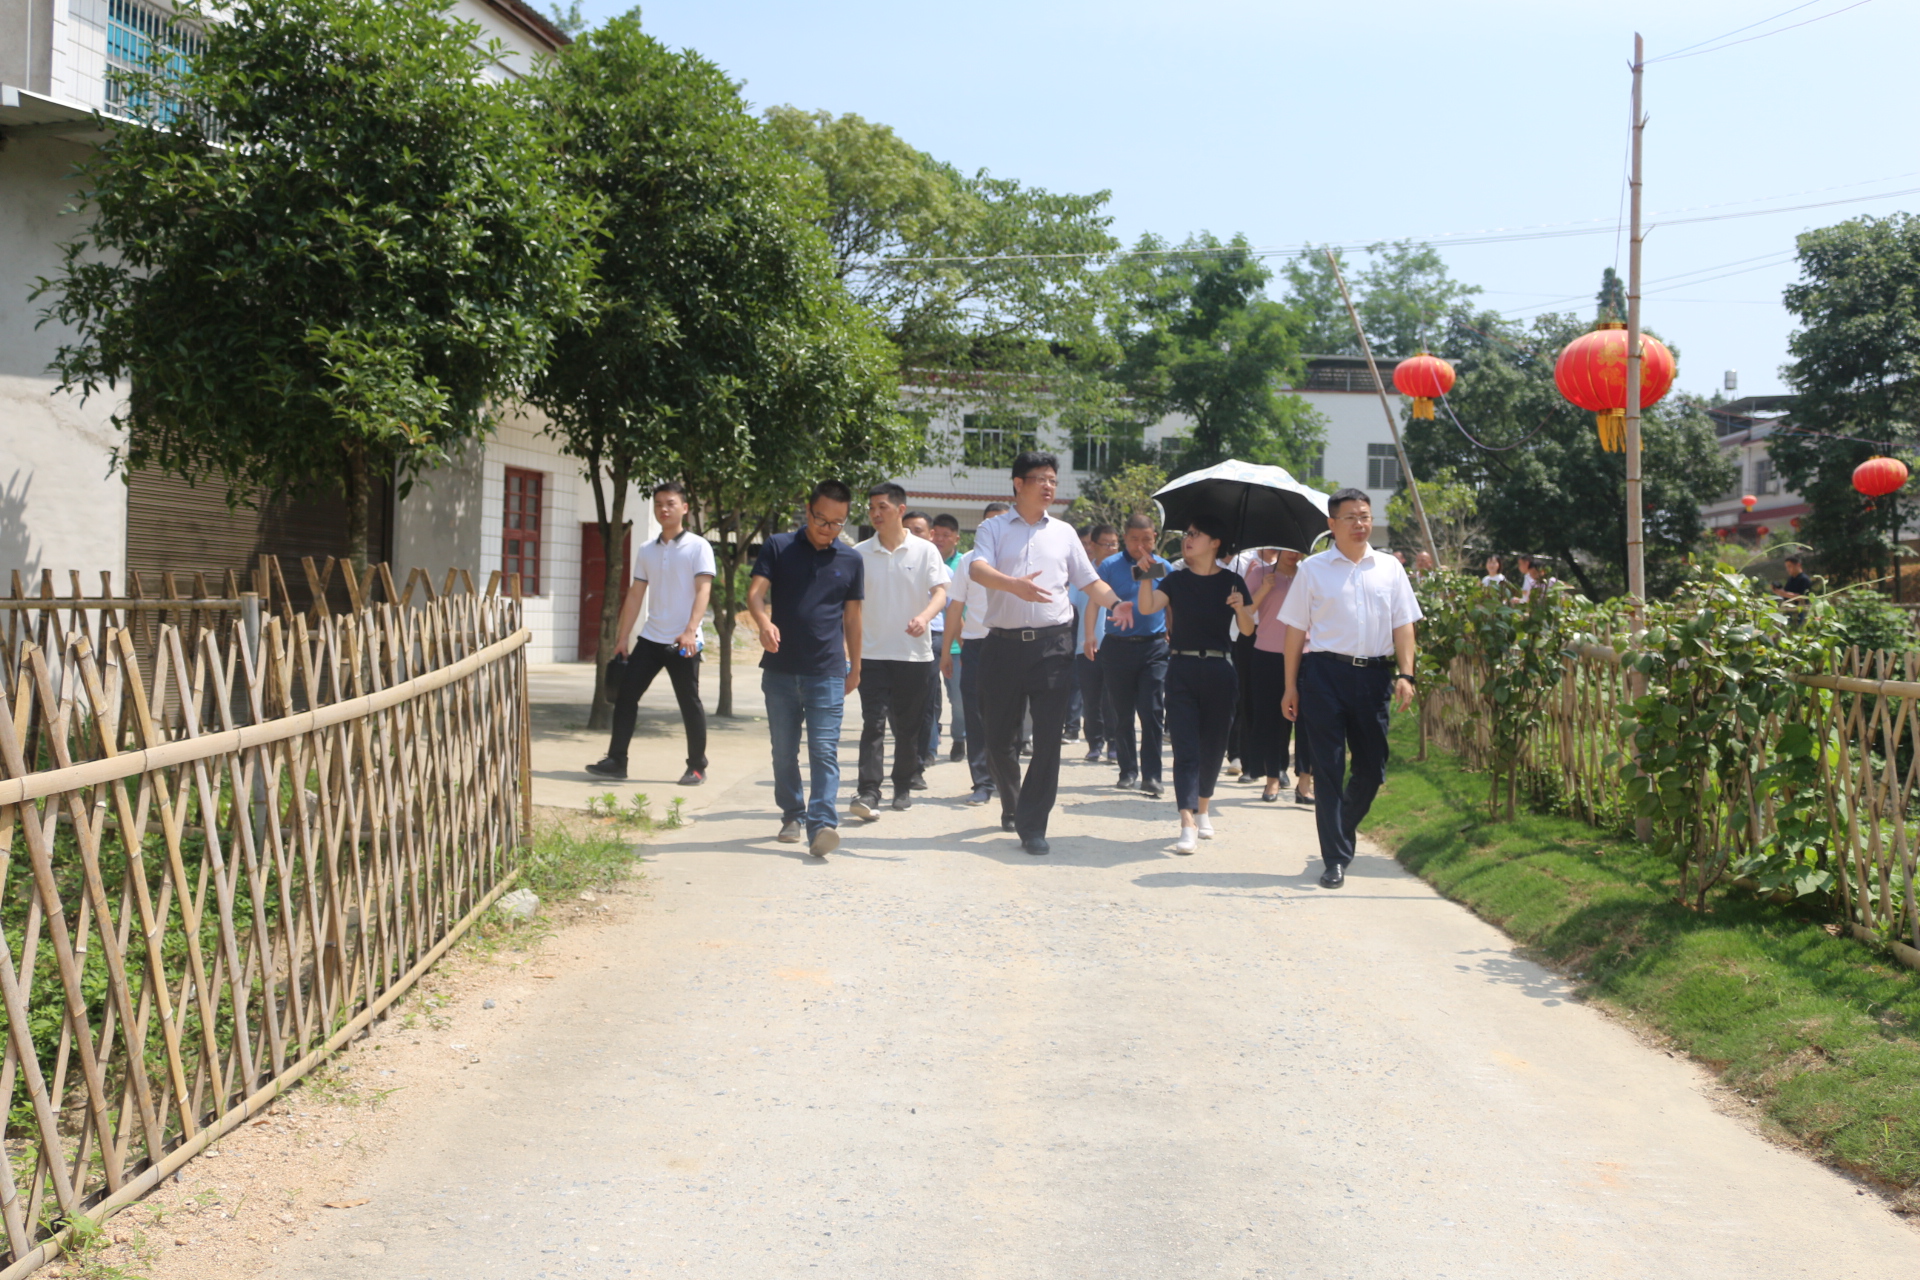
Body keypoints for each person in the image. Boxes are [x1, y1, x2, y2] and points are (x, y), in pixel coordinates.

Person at [968, 452, 1125, 855]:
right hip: (1002, 645)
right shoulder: (994, 527)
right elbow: (978, 570)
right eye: (1041, 479)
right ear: (1018, 483)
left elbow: (1089, 582)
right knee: (998, 737)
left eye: (1053, 479)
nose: (1049, 486)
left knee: (1049, 738)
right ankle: (1015, 803)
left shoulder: (1065, 533)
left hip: (1052, 645)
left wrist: (1117, 604)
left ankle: (1034, 824)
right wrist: (1012, 584)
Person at [1279, 488, 1422, 889]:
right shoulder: (1314, 570)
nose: (1360, 524)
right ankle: (1335, 858)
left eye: (1365, 516)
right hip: (1324, 674)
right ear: (1332, 525)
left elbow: (1404, 624)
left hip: (1374, 676)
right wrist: (1290, 685)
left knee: (1372, 768)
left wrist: (1406, 675)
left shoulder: (1390, 567)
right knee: (1328, 768)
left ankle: (1339, 827)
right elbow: (1294, 630)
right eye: (1351, 518)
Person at [746, 480, 865, 858]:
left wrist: (856, 667)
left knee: (824, 751)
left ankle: (822, 825)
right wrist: (763, 623)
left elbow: (853, 619)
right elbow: (755, 594)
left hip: (827, 670)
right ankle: (792, 814)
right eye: (821, 519)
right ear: (807, 510)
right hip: (780, 671)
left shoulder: (851, 560)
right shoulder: (779, 547)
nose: (828, 529)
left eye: (837, 523)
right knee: (783, 751)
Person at [1133, 515, 1258, 854]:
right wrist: (1145, 574)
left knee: (1213, 747)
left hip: (1221, 669)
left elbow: (1247, 630)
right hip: (1182, 667)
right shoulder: (1175, 580)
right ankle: (1186, 820)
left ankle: (1203, 807)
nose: (1187, 539)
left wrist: (1240, 608)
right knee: (1186, 747)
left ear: (1215, 542)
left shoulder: (1233, 582)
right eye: (1186, 534)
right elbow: (1147, 607)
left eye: (1195, 534)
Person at [586, 482, 715, 787]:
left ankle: (697, 766)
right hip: (651, 638)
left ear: (684, 508)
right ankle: (617, 761)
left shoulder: (699, 546)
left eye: (670, 503)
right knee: (626, 697)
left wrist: (689, 631)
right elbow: (634, 595)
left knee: (689, 702)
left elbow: (703, 590)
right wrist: (622, 639)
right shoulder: (647, 549)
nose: (663, 509)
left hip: (683, 642)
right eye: (658, 504)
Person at [850, 488, 950, 821]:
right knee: (873, 724)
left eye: (883, 507)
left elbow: (941, 592)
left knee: (907, 727)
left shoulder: (925, 551)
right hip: (873, 654)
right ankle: (868, 790)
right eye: (871, 508)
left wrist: (924, 617)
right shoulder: (859, 554)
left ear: (900, 509)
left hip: (914, 656)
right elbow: (850, 607)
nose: (876, 513)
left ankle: (903, 785)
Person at [1097, 514, 1174, 798]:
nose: (1140, 545)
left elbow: (1170, 605)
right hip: (1117, 645)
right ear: (1124, 538)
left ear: (1155, 538)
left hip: (1154, 647)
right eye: (1134, 539)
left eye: (1147, 539)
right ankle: (1127, 770)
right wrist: (1091, 634)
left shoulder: (1164, 567)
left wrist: (1172, 634)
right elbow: (1097, 597)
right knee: (1121, 711)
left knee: (1152, 710)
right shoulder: (1109, 565)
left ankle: (1152, 775)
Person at [943, 501, 1009, 806]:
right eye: (989, 523)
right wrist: (947, 651)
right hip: (975, 648)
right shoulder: (969, 561)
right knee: (975, 715)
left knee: (1008, 717)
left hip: (1011, 646)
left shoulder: (1018, 560)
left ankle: (1005, 779)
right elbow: (955, 606)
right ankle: (982, 782)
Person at [1243, 547, 1310, 804]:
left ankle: (1304, 781)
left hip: (1306, 654)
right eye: (1289, 549)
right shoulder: (1260, 574)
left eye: (1300, 551)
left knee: (1306, 720)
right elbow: (1244, 614)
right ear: (1278, 549)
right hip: (1268, 654)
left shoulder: (1309, 575)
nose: (1294, 555)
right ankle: (1273, 777)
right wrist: (1264, 589)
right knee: (1270, 718)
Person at [1224, 545, 1276, 779]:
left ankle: (1274, 763)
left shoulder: (1292, 566)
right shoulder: (1245, 562)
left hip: (1276, 636)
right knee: (1245, 698)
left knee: (1272, 701)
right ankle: (1244, 759)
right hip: (1245, 635)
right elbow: (1239, 602)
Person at [1073, 524, 1120, 763]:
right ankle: (1094, 742)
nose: (1111, 549)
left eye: (1114, 544)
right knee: (1091, 699)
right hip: (1085, 646)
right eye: (1106, 544)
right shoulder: (1082, 576)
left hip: (1116, 645)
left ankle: (1114, 743)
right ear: (1092, 545)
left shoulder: (1123, 572)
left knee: (1111, 698)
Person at [927, 513, 967, 764]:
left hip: (958, 643)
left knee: (959, 699)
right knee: (928, 697)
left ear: (956, 538)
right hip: (929, 641)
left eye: (946, 535)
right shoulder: (925, 559)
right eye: (936, 534)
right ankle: (930, 747)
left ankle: (960, 738)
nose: (939, 539)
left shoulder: (965, 564)